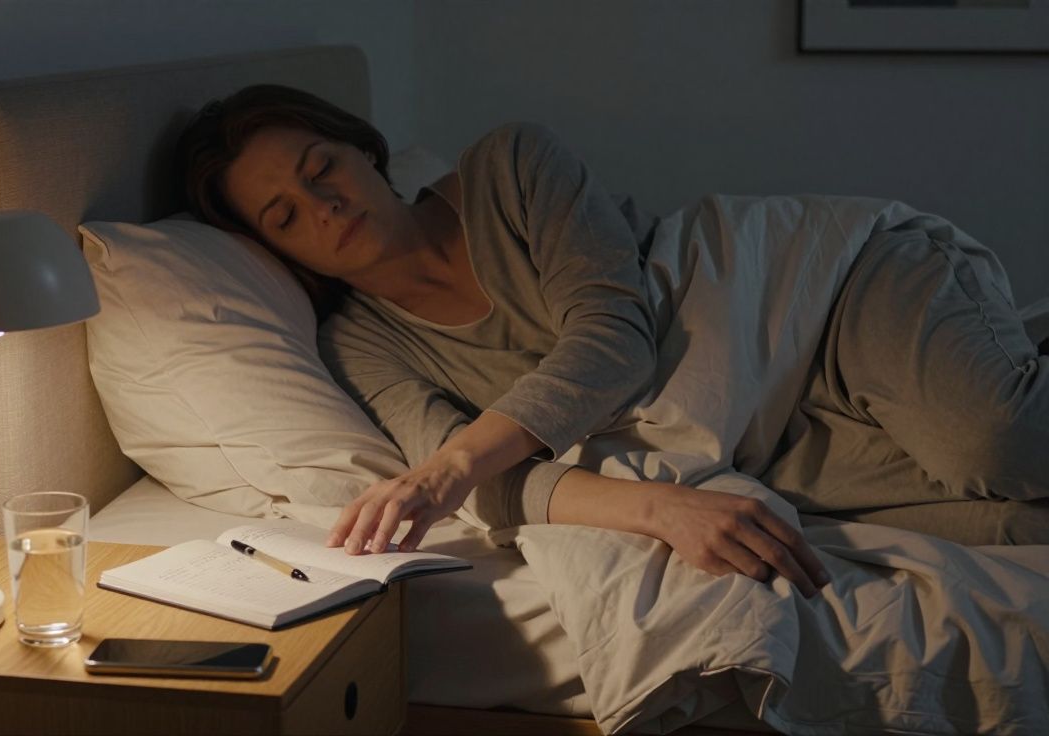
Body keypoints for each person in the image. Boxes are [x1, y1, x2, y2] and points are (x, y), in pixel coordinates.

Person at [174, 85, 1049, 599]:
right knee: (1006, 523)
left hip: (822, 294)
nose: (323, 205)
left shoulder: (511, 167)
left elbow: (615, 338)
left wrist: (447, 467)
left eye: (321, 166)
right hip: (752, 428)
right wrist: (662, 509)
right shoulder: (363, 345)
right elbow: (500, 489)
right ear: (279, 250)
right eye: (285, 214)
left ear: (365, 152)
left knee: (999, 443)